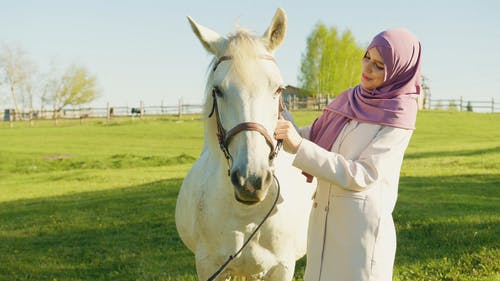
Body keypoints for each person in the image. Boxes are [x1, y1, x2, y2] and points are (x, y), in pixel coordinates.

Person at [274, 28, 422, 281]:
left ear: (399, 71)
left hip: (359, 234)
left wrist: (299, 146)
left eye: (379, 65)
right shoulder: (353, 98)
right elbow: (314, 135)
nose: (368, 69)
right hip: (323, 221)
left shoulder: (398, 116)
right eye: (367, 58)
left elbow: (364, 174)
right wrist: (277, 108)